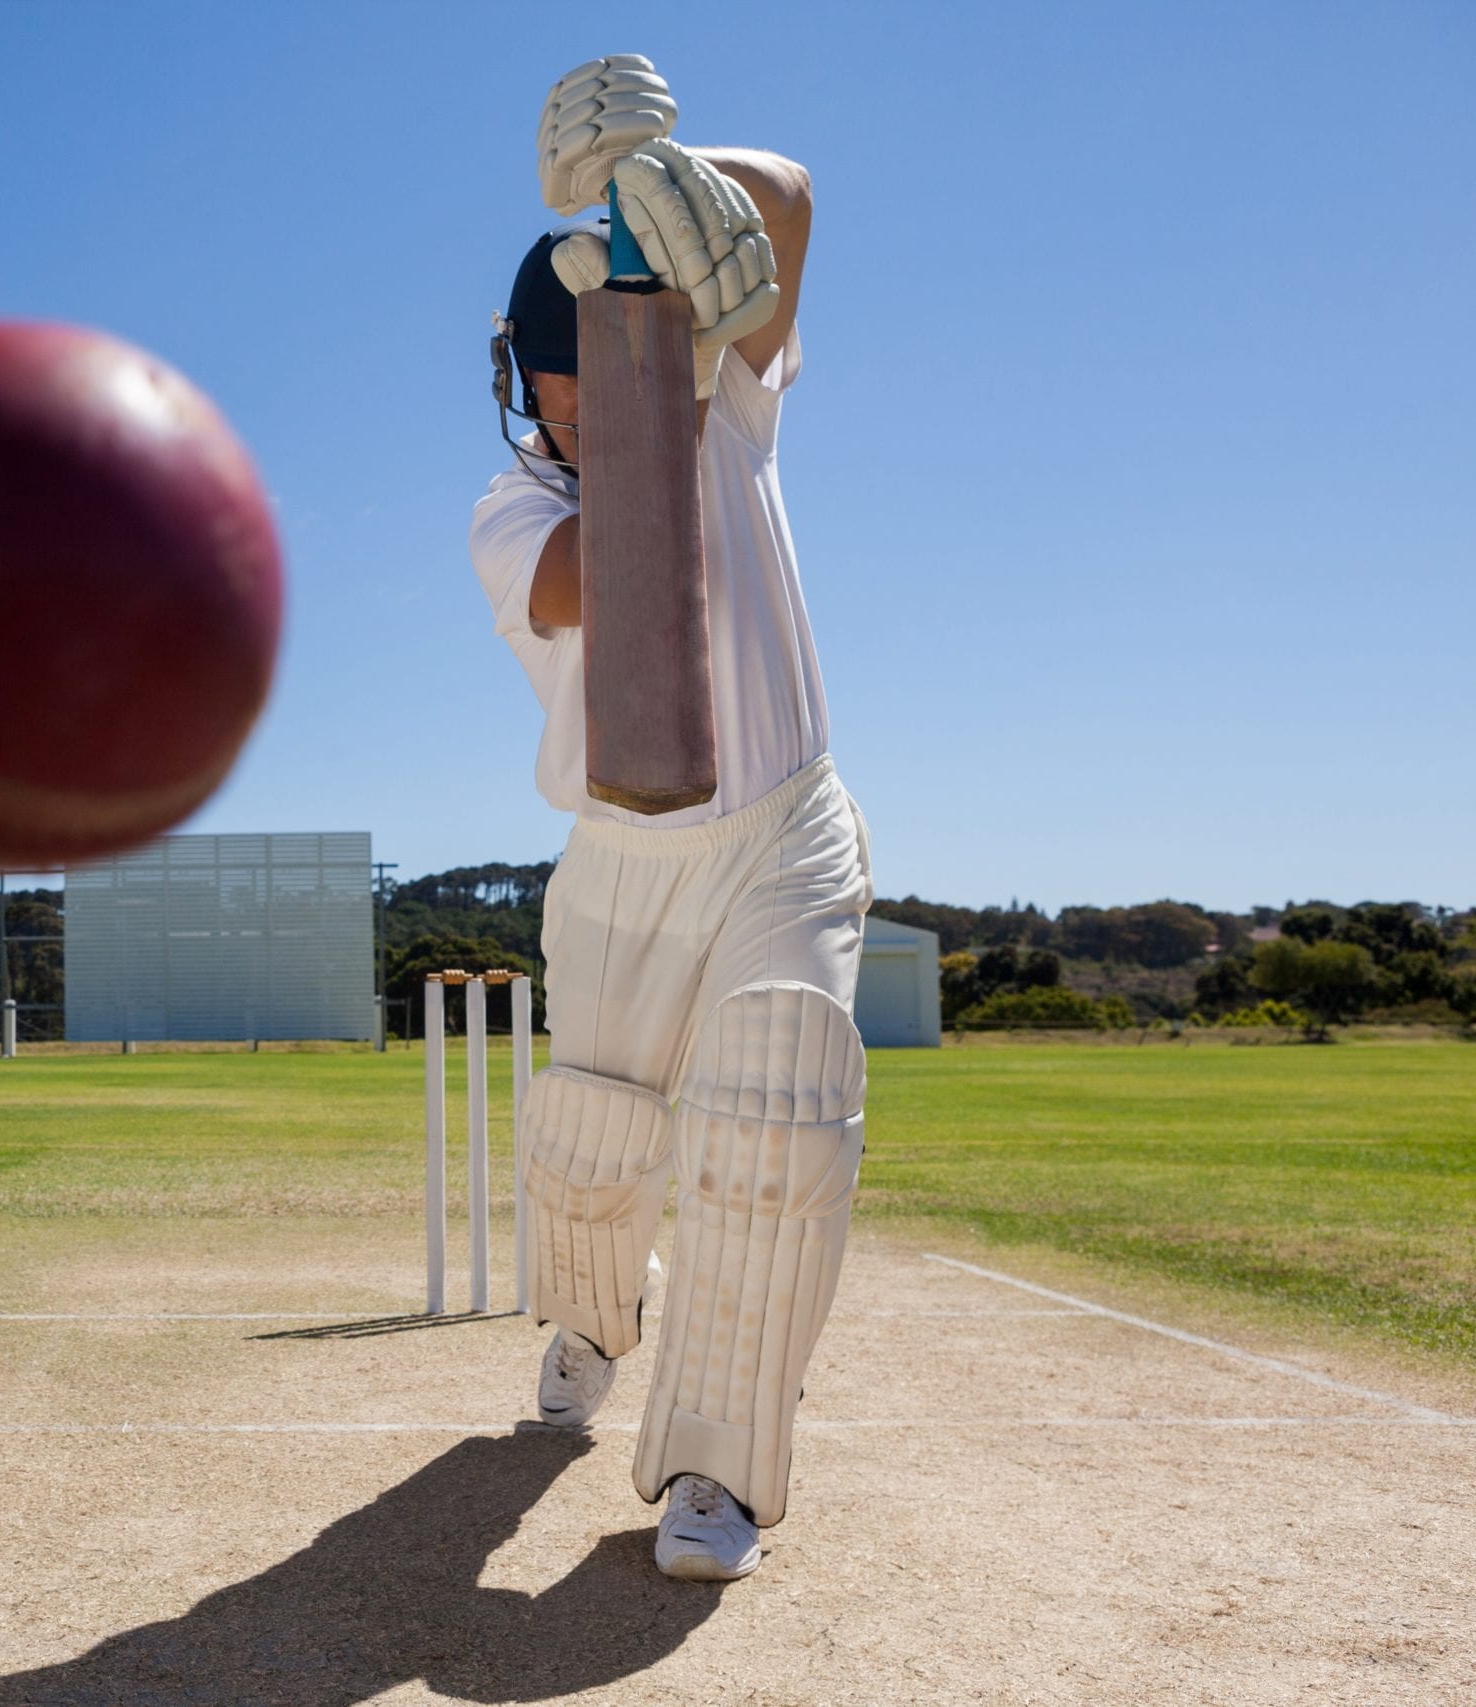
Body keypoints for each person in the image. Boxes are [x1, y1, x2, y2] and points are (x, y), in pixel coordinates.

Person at [469, 127, 871, 1583]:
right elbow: (610, 573)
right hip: (623, 860)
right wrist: (660, 378)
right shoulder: (517, 513)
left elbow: (796, 203)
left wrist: (657, 162)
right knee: (593, 1141)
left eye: (598, 364)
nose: (578, 403)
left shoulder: (730, 405)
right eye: (561, 375)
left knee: (778, 1108)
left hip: (787, 826)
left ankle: (717, 1467)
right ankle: (592, 1311)